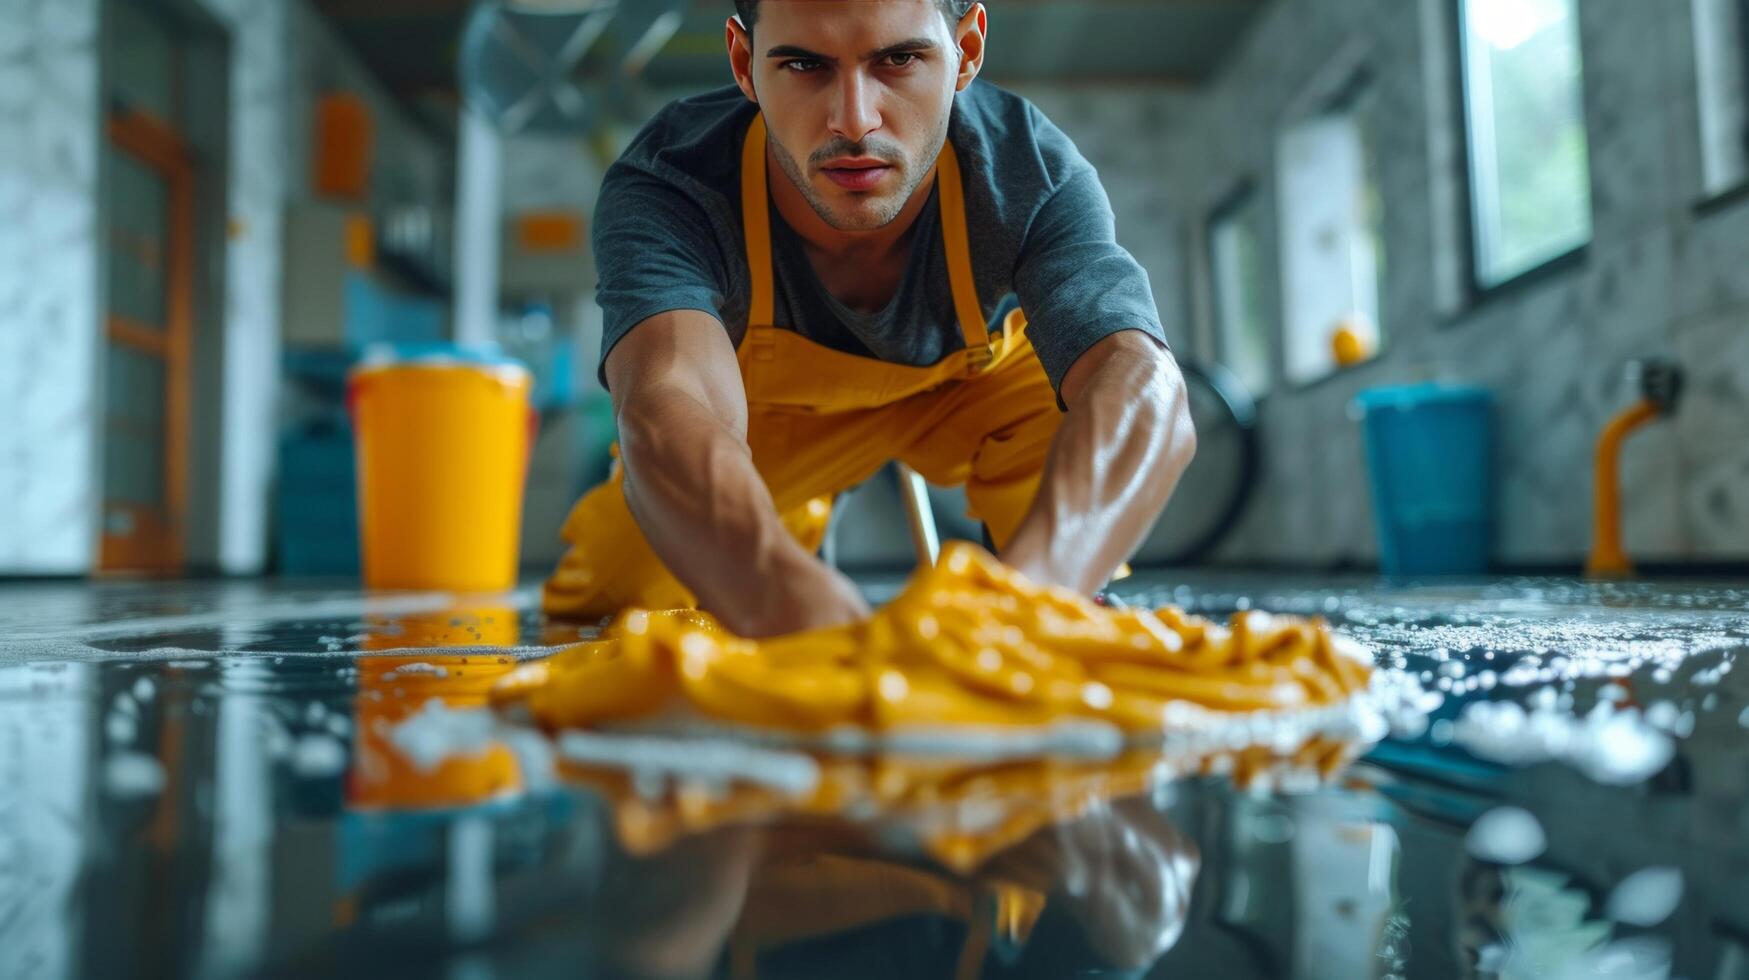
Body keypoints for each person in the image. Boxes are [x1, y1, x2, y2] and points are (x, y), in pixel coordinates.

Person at [543, 0, 1196, 637]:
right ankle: (790, 523)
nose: (854, 123)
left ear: (965, 51)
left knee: (1069, 437)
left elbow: (1138, 377)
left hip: (972, 399)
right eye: (804, 66)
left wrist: (1035, 598)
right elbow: (667, 396)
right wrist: (785, 597)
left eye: (900, 59)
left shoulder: (1030, 172)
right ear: (744, 63)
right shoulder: (671, 183)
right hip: (762, 423)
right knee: (616, 591)